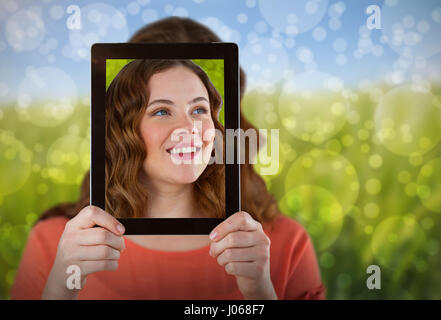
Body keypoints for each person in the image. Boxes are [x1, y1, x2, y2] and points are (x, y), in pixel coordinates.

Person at [11, 17, 326, 300]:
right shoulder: (55, 245)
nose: (188, 128)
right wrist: (59, 291)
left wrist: (261, 294)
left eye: (199, 109)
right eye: (161, 110)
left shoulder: (283, 244)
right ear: (121, 129)